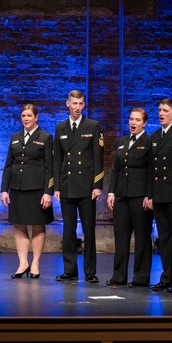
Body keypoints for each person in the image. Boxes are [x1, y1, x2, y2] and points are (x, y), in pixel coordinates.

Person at [53, 90, 104, 282]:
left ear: (84, 105)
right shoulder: (60, 128)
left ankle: (90, 272)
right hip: (67, 186)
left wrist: (97, 184)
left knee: (89, 229)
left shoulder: (92, 126)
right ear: (67, 104)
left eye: (80, 103)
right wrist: (56, 187)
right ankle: (70, 270)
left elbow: (98, 158)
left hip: (86, 187)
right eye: (74, 103)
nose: (77, 107)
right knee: (68, 229)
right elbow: (57, 159)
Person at [0, 103, 53, 279]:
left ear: (36, 117)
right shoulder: (15, 137)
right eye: (23, 116)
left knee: (38, 225)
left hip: (37, 189)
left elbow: (49, 167)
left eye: (29, 116)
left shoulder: (45, 137)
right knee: (19, 224)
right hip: (17, 188)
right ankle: (23, 263)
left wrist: (48, 191)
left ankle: (35, 263)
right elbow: (8, 165)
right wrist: (4, 190)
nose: (26, 119)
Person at [106, 107, 152, 287]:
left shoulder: (149, 142)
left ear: (144, 123)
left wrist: (149, 194)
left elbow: (151, 172)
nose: (133, 123)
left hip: (140, 196)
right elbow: (116, 168)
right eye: (131, 120)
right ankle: (119, 276)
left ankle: (141, 277)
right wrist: (111, 192)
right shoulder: (124, 141)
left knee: (142, 236)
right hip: (122, 196)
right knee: (121, 235)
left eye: (137, 120)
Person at [147, 97, 172, 294]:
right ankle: (166, 276)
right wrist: (150, 195)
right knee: (164, 238)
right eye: (159, 110)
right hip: (160, 194)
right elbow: (152, 170)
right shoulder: (155, 137)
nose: (160, 113)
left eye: (164, 110)